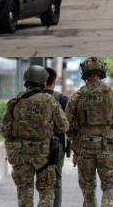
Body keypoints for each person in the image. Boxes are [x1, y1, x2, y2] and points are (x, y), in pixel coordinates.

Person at [1, 65, 69, 207]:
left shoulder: (15, 102)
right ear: (44, 81)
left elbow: (5, 130)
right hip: (45, 154)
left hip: (21, 154)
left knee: (25, 193)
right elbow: (64, 126)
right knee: (47, 192)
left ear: (26, 80)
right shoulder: (50, 100)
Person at [65, 58, 113, 207]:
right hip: (106, 146)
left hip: (84, 147)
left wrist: (76, 136)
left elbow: (66, 125)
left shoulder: (77, 97)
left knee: (88, 189)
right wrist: (111, 128)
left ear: (84, 74)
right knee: (109, 187)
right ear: (101, 72)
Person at [44, 67, 69, 207]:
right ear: (54, 80)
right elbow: (68, 125)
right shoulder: (62, 99)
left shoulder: (28, 98)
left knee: (41, 180)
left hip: (34, 147)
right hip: (56, 146)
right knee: (56, 180)